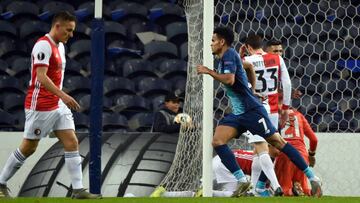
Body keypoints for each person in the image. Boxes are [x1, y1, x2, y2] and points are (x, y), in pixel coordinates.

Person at [196, 27, 322, 197]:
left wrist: (208, 71)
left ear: (222, 42)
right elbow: (248, 67)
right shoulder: (230, 57)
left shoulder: (230, 55)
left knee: (278, 144)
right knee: (218, 141)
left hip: (253, 111)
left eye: (213, 40)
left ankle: (312, 177)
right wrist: (252, 89)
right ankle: (243, 181)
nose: (210, 44)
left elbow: (230, 79)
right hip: (240, 114)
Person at [0, 11, 101, 199]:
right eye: (68, 30)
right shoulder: (43, 46)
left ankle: (78, 190)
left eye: (72, 31)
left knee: (71, 142)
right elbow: (41, 77)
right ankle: (1, 183)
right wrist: (64, 95)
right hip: (41, 105)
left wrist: (61, 98)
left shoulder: (60, 46)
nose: (71, 35)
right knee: (29, 147)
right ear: (57, 26)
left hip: (57, 104)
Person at [238, 34, 293, 195]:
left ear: (248, 47)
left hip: (256, 108)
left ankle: (276, 186)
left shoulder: (246, 61)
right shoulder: (277, 58)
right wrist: (286, 108)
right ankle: (255, 189)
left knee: (260, 147)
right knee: (259, 149)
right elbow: (287, 84)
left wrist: (241, 55)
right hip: (274, 109)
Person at [275, 93, 318, 196]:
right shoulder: (299, 116)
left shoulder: (274, 115)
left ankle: (291, 192)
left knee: (285, 190)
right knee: (304, 189)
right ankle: (307, 191)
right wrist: (311, 155)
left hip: (284, 154)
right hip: (302, 156)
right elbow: (314, 139)